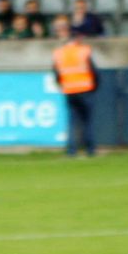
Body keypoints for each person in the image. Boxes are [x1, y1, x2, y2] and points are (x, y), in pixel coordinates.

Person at [52, 26, 97, 157]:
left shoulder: (59, 52)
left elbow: (56, 73)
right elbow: (93, 71)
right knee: (87, 121)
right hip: (85, 89)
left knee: (72, 121)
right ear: (78, 38)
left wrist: (63, 85)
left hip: (69, 90)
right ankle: (90, 150)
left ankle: (71, 150)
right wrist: (94, 86)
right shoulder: (84, 51)